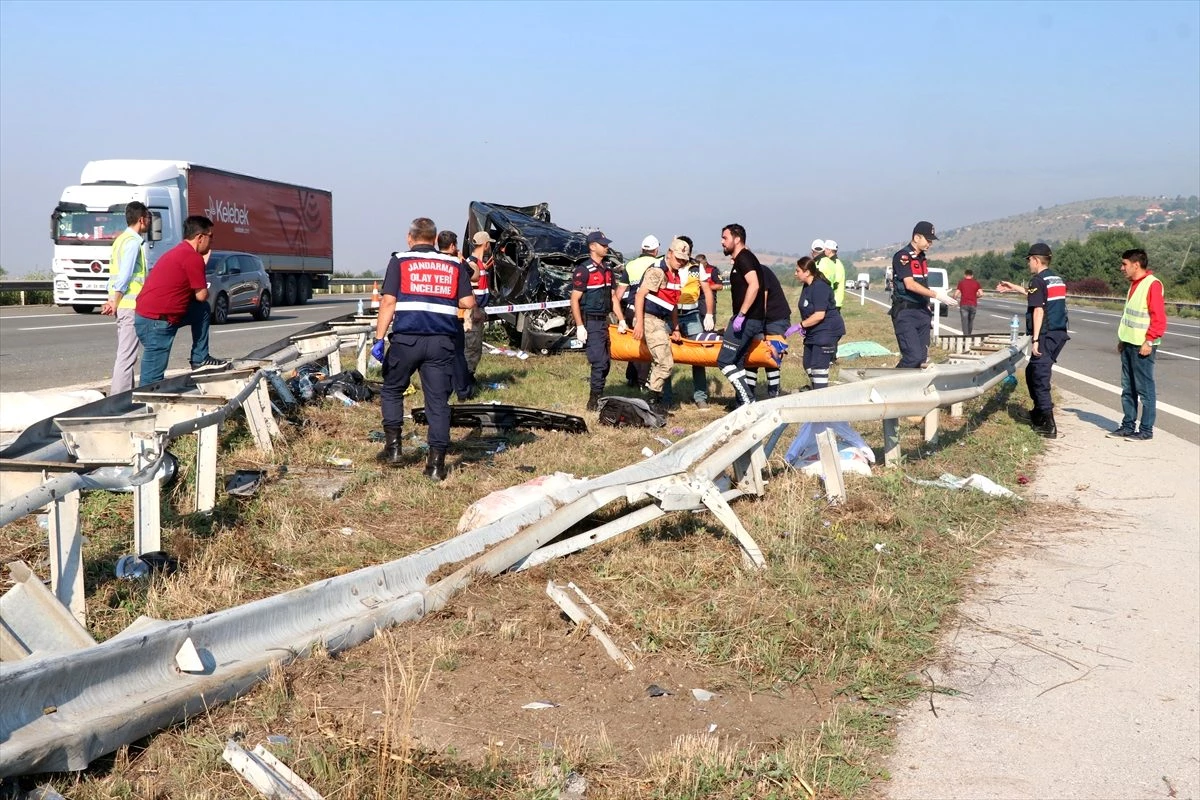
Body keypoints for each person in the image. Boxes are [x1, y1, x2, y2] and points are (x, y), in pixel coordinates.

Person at [373, 218, 475, 480]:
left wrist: (379, 338)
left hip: (407, 339)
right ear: (435, 237)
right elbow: (467, 300)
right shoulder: (454, 264)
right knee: (438, 402)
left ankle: (394, 449)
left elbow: (388, 302)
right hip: (442, 341)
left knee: (393, 389)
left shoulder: (400, 260)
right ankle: (436, 466)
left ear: (410, 238)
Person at [133, 216, 222, 385]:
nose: (212, 242)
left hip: (150, 316)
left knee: (201, 310)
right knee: (151, 381)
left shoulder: (179, 251)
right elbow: (201, 295)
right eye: (211, 236)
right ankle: (144, 407)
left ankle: (200, 358)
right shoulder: (192, 257)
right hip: (157, 321)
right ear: (200, 237)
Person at [995, 243, 1069, 438]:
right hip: (1059, 332)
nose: (1029, 264)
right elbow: (1038, 297)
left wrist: (1035, 340)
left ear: (1035, 260)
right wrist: (1014, 288)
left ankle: (1047, 423)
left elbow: (1038, 309)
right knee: (1032, 371)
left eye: (1029, 260)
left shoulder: (1037, 280)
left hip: (1046, 333)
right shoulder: (1055, 279)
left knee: (1039, 375)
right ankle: (1038, 412)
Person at [1107, 248, 1166, 441]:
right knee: (1128, 388)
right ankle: (1128, 426)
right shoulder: (1134, 284)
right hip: (1129, 343)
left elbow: (1159, 318)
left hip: (1143, 345)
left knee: (1144, 389)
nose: (1121, 268)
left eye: (1124, 264)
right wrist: (1122, 340)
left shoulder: (1152, 284)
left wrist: (1149, 340)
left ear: (1136, 264)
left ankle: (1146, 430)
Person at [890, 221, 957, 369]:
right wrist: (936, 295)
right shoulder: (903, 257)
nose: (930, 243)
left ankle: (911, 390)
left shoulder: (922, 258)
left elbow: (921, 285)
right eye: (928, 240)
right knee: (912, 357)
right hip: (906, 312)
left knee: (921, 358)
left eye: (931, 240)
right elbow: (910, 284)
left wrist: (937, 295)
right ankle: (889, 386)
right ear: (916, 238)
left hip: (922, 312)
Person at [633, 238, 687, 415]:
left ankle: (652, 401)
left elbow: (672, 304)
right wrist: (639, 323)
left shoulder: (675, 274)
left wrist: (676, 327)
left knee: (663, 362)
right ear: (670, 254)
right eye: (678, 258)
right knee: (665, 363)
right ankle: (651, 403)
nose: (681, 262)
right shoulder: (657, 271)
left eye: (684, 260)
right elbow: (640, 296)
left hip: (661, 320)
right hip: (649, 318)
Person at [100, 201, 150, 394]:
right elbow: (125, 276)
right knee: (126, 356)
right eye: (147, 218)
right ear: (141, 219)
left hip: (123, 303)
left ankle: (125, 396)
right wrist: (116, 301)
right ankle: (118, 399)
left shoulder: (120, 240)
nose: (148, 222)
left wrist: (111, 299)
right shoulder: (132, 243)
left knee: (126, 354)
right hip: (129, 304)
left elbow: (112, 275)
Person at [571, 231, 622, 411]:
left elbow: (613, 296)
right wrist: (579, 326)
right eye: (603, 244)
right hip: (591, 321)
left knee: (606, 362)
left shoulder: (608, 270)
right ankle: (593, 401)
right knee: (599, 361)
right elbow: (574, 299)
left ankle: (598, 393)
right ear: (592, 246)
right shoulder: (584, 270)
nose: (606, 247)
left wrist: (621, 319)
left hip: (605, 321)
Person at [716, 223, 766, 406]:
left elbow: (754, 285)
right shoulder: (742, 259)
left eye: (725, 238)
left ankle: (749, 402)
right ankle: (742, 403)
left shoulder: (744, 258)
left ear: (737, 239)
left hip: (747, 320)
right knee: (736, 362)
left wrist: (741, 315)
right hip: (750, 319)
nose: (722, 242)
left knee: (724, 361)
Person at [790, 257, 846, 389]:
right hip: (814, 331)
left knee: (818, 367)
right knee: (808, 363)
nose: (795, 273)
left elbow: (819, 315)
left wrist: (800, 325)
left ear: (807, 272)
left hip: (827, 331)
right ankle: (815, 390)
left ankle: (821, 398)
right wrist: (806, 325)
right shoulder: (807, 286)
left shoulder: (820, 287)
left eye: (797, 270)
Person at [675, 246, 717, 409]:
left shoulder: (696, 267)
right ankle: (665, 396)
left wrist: (708, 314)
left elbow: (706, 291)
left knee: (698, 355)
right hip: (672, 316)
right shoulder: (668, 265)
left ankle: (700, 397)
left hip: (692, 315)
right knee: (666, 355)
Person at [437, 230, 476, 401]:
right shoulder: (456, 265)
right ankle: (462, 391)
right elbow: (473, 277)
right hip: (453, 317)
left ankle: (442, 390)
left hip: (431, 319)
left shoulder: (432, 263)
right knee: (458, 355)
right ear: (453, 246)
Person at [617, 235, 660, 389]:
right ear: (656, 250)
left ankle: (631, 378)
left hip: (630, 311)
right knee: (647, 346)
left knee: (633, 343)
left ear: (642, 249)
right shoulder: (657, 263)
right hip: (648, 310)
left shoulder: (630, 265)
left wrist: (617, 315)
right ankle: (643, 382)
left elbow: (620, 291)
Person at [743, 265, 791, 399]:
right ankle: (749, 397)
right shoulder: (744, 274)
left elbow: (761, 303)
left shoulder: (760, 272)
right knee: (752, 358)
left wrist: (758, 328)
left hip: (775, 319)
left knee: (771, 357)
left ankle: (773, 396)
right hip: (757, 318)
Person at [464, 230, 493, 388]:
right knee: (471, 346)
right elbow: (471, 289)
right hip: (473, 310)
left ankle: (469, 375)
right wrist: (475, 310)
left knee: (476, 347)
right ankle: (466, 378)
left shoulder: (479, 263)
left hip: (478, 308)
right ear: (486, 244)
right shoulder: (472, 264)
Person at [952, 268, 984, 335]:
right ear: (972, 275)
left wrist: (953, 299)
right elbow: (981, 294)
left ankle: (965, 337)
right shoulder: (976, 283)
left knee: (964, 322)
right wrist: (976, 296)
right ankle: (969, 335)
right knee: (970, 321)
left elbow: (956, 294)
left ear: (965, 275)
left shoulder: (961, 282)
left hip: (964, 305)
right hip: (973, 305)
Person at [819, 239, 847, 309]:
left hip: (835, 301)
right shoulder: (833, 262)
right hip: (833, 301)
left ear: (829, 250)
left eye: (825, 249)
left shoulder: (836, 264)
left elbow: (834, 283)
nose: (823, 251)